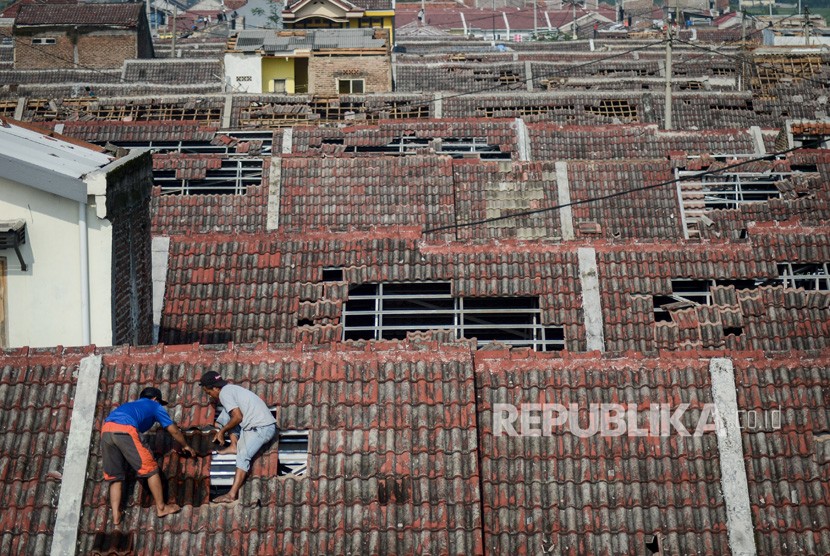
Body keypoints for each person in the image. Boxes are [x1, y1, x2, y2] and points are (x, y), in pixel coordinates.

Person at [101, 387, 196, 525]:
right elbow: (173, 430)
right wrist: (185, 445)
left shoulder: (129, 405)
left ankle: (116, 516)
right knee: (151, 469)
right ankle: (162, 507)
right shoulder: (154, 405)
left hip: (106, 431)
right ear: (155, 399)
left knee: (115, 476)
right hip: (125, 430)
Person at [199, 371, 277, 503]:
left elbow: (238, 417)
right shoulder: (231, 389)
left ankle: (231, 494)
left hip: (262, 428)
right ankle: (234, 445)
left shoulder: (224, 394)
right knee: (225, 414)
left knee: (243, 455)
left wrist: (222, 431)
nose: (210, 396)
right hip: (256, 425)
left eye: (209, 392)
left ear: (216, 388)